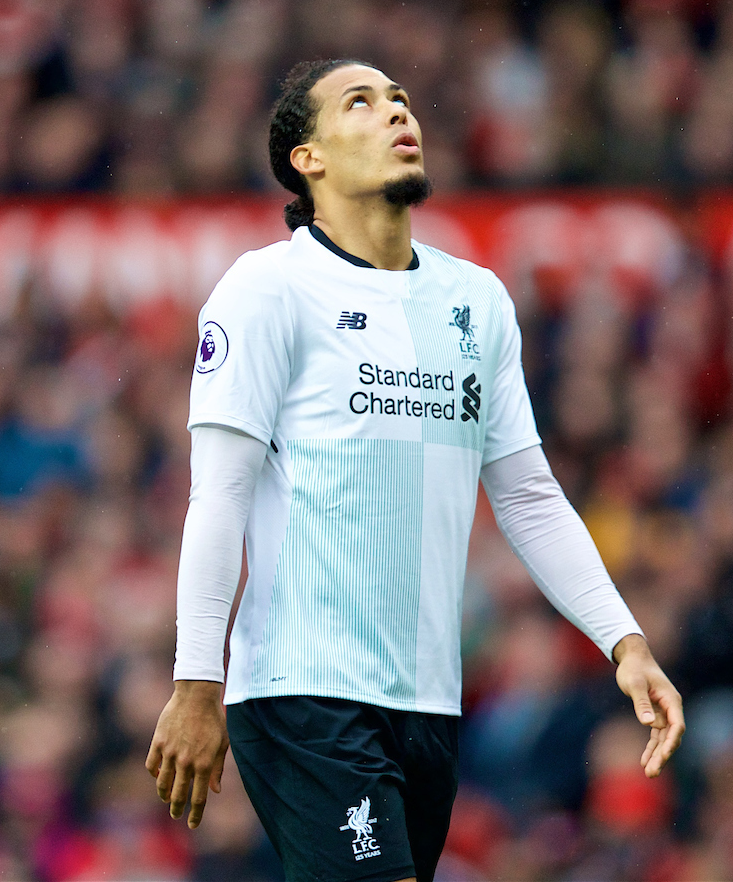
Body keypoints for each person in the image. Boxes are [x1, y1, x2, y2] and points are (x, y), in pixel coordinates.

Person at [145, 58, 684, 882]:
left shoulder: (476, 301)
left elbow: (529, 496)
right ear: (308, 158)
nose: (399, 113)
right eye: (361, 103)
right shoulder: (267, 289)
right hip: (303, 686)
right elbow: (217, 495)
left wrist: (625, 641)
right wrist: (196, 682)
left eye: (400, 99)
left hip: (428, 698)